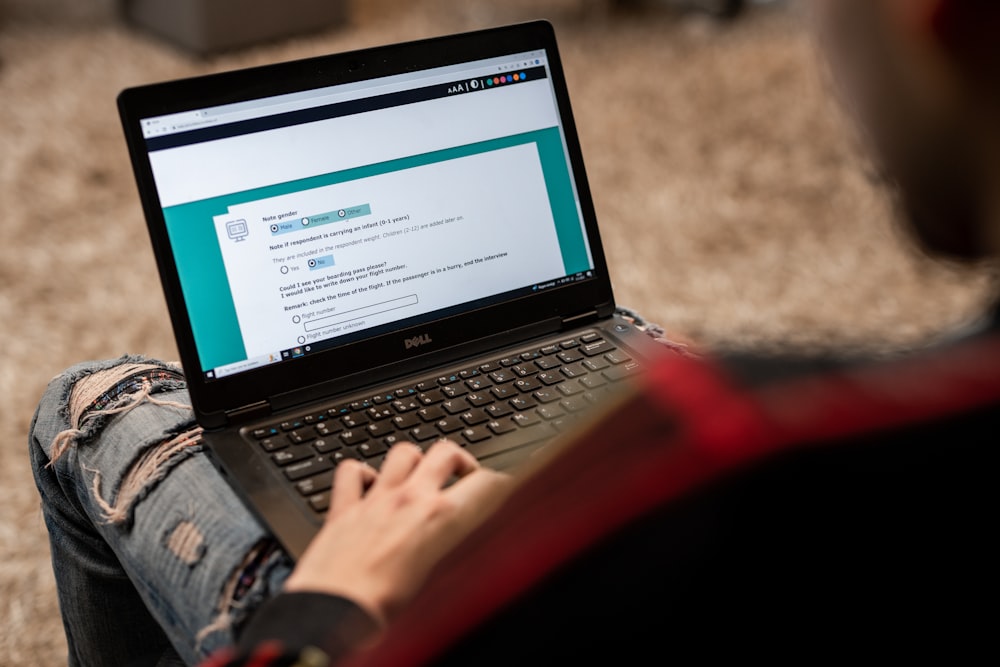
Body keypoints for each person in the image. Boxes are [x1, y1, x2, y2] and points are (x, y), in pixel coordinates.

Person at [29, 0, 1000, 664]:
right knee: (604, 333)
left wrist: (336, 595)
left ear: (940, 22)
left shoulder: (735, 447)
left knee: (91, 401)